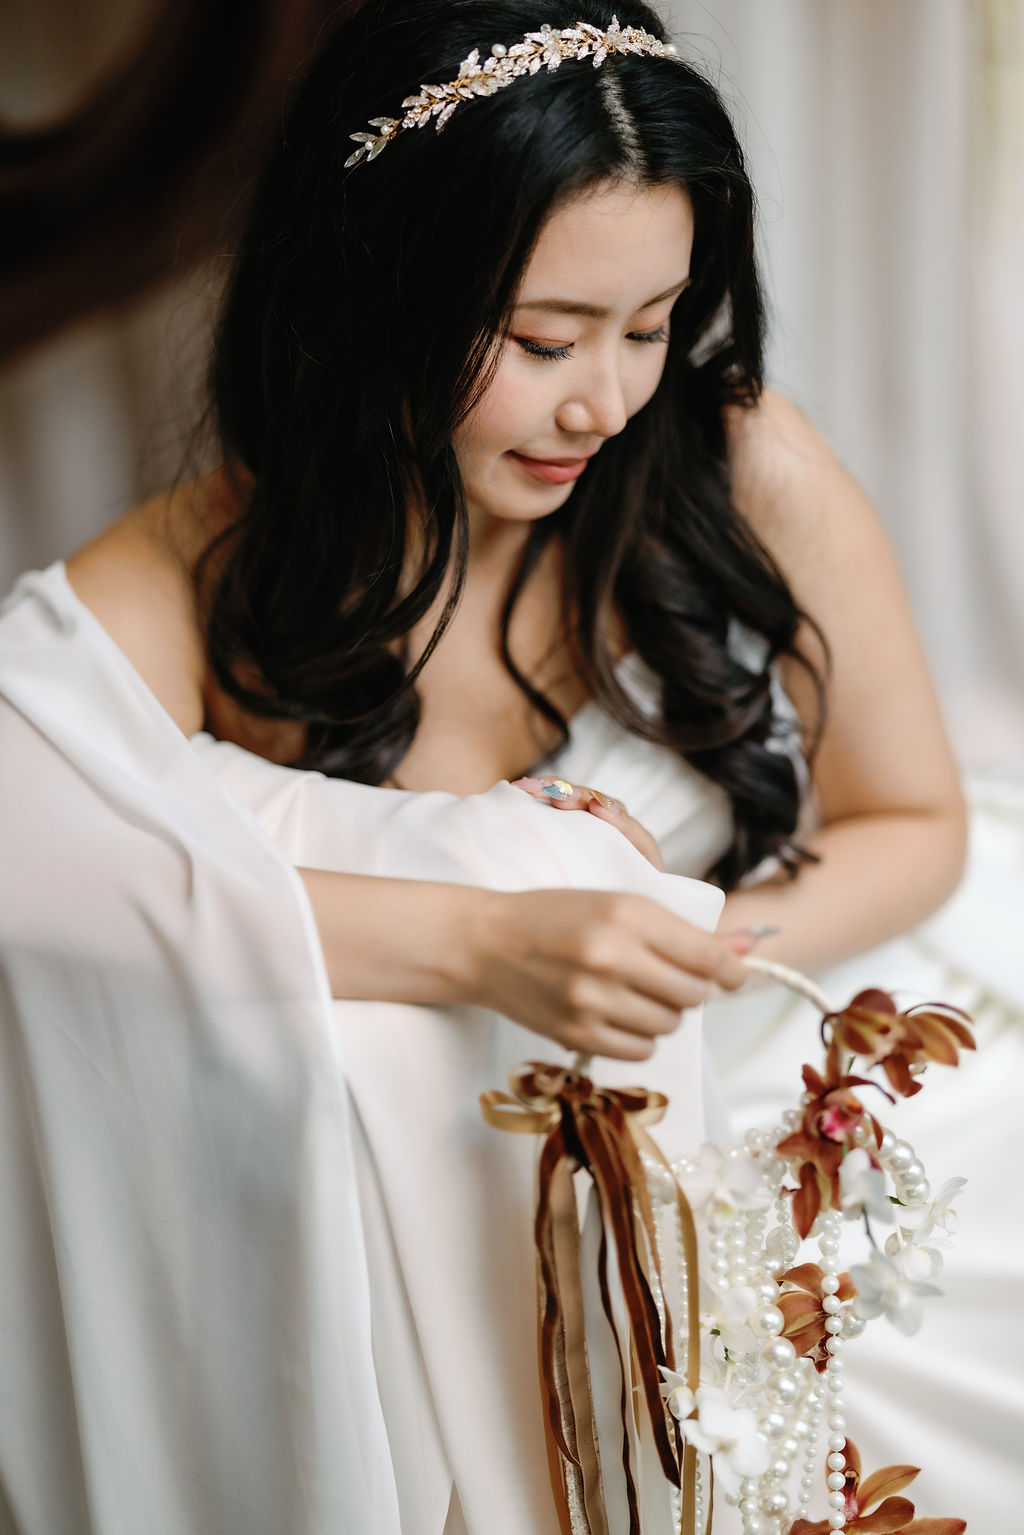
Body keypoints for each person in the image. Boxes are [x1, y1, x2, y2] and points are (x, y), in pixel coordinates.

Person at [0, 3, 971, 1533]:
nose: (604, 400)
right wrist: (489, 937)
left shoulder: (740, 469)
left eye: (652, 327)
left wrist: (679, 957)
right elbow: (34, 872)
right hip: (419, 1229)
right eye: (541, 341)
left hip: (730, 1083)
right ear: (377, 286)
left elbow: (914, 821)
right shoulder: (209, 572)